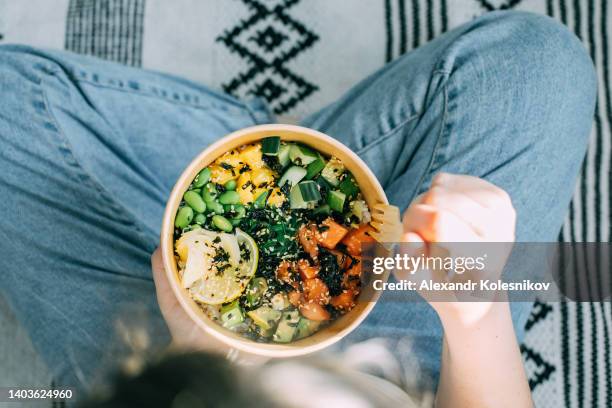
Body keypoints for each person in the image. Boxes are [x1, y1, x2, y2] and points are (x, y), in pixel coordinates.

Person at [0, 10, 596, 407]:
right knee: (532, 66)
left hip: (178, 368)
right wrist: (476, 316)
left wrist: (198, 352)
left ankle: (253, 151)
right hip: (421, 371)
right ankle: (272, 152)